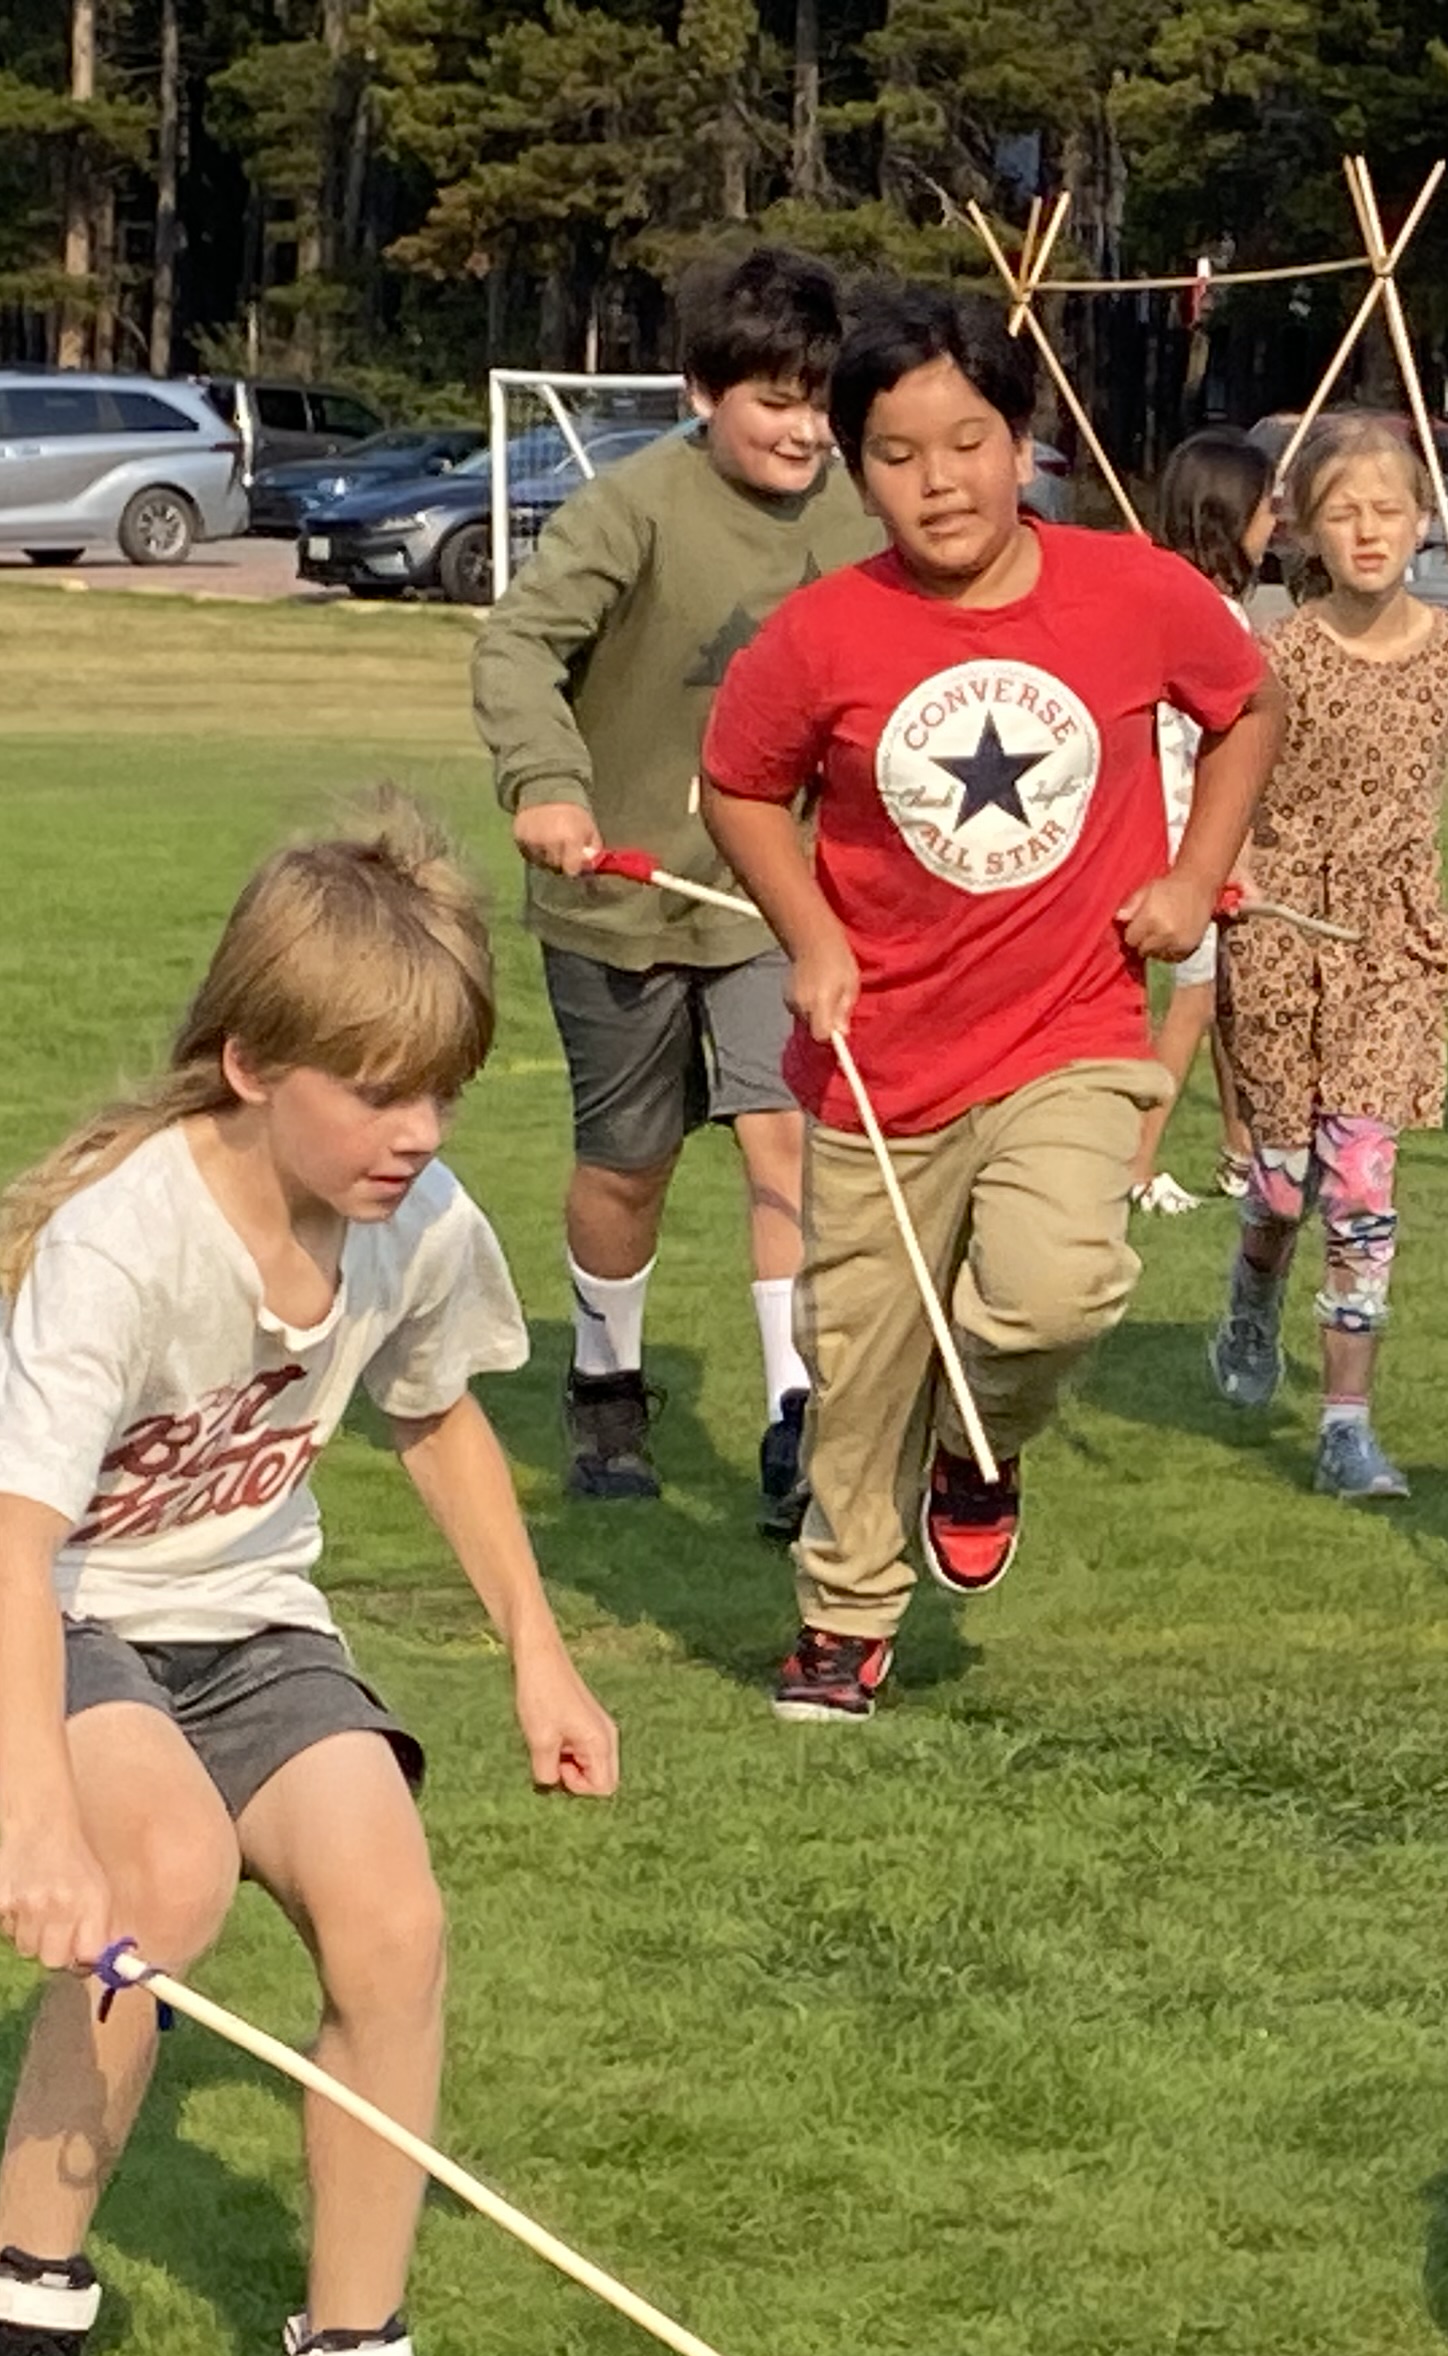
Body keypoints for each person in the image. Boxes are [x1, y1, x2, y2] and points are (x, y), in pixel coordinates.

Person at [0, 802, 620, 2356]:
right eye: (375, 1092)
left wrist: (539, 1647)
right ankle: (16, 2326)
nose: (417, 1133)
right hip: (43, 1598)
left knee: (394, 1922)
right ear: (248, 1063)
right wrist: (44, 1823)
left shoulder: (411, 1216)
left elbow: (434, 1412)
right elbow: (4, 1548)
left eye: (439, 1090)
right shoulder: (124, 1240)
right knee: (162, 1887)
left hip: (242, 1605)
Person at [703, 286, 1284, 1722]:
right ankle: (843, 1622)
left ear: (1022, 442)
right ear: (855, 468)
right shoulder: (822, 634)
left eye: (966, 442)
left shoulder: (1133, 589)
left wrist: (1194, 873)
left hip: (1069, 1034)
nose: (937, 480)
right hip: (873, 1062)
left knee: (1051, 1292)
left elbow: (1248, 706)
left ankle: (980, 1442)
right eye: (896, 454)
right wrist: (811, 934)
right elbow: (737, 789)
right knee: (858, 1373)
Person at [469, 244, 883, 1527]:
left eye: (821, 404)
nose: (805, 432)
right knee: (629, 1165)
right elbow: (521, 646)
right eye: (775, 402)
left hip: (778, 906)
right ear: (704, 391)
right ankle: (606, 1385)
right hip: (622, 898)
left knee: (784, 1138)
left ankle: (792, 1417)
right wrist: (547, 783)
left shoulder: (864, 518)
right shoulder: (631, 506)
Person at [1204, 418, 1448, 1501]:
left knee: (1361, 1181)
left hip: (1395, 937)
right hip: (1281, 929)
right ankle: (1253, 1291)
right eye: (1344, 513)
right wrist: (1235, 868)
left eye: (1387, 512)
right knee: (1288, 1186)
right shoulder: (1277, 652)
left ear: (1421, 524)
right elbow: (1232, 776)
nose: (1368, 533)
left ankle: (1347, 1426)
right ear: (1305, 525)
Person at [1129, 428, 1277, 1216]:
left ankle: (1241, 1149)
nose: (1274, 522)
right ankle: (1135, 1162)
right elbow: (1225, 748)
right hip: (1187, 839)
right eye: (1264, 506)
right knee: (1191, 1000)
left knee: (1226, 997)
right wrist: (1233, 856)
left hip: (1162, 830)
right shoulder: (1214, 614)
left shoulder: (1155, 595)